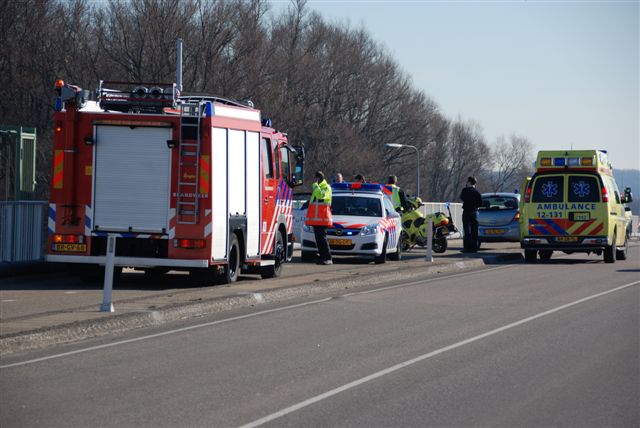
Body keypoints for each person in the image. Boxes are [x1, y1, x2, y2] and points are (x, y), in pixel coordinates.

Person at [307, 171, 333, 265]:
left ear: (319, 178)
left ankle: (327, 258)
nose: (315, 180)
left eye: (316, 178)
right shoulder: (319, 187)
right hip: (317, 219)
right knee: (319, 240)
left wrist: (315, 186)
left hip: (323, 218)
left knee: (322, 239)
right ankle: (323, 257)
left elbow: (319, 196)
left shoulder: (325, 187)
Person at [459, 176, 483, 252]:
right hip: (474, 212)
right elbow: (480, 203)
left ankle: (467, 248)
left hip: (466, 212)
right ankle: (474, 247)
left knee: (467, 230)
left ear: (469, 182)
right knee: (474, 230)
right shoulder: (477, 192)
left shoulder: (465, 191)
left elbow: (462, 198)